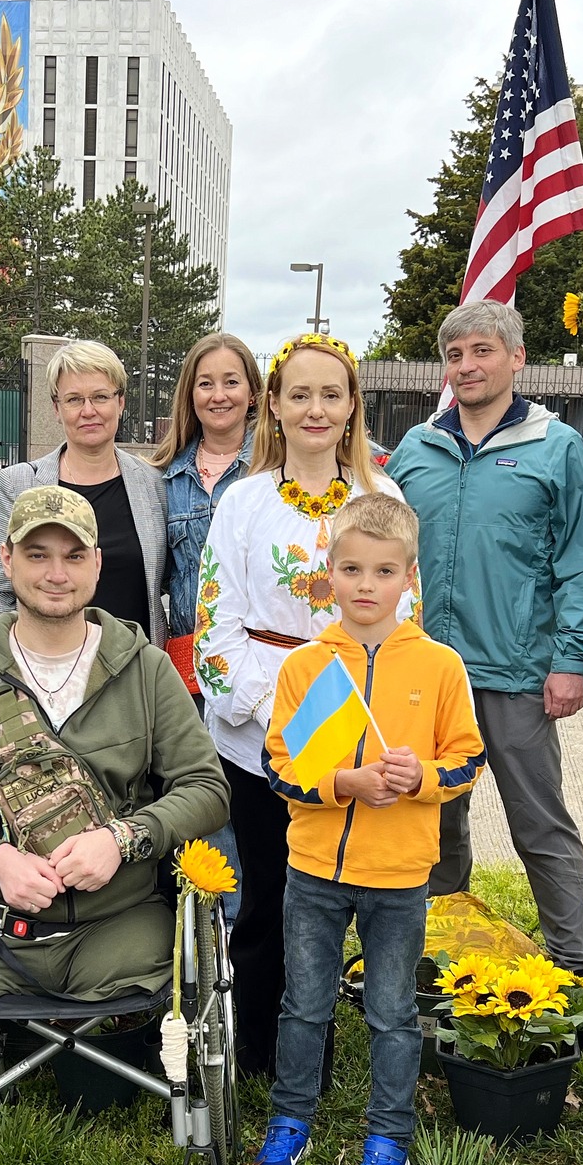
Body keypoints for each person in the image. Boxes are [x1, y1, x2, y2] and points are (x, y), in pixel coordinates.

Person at [0, 487, 228, 1000]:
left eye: (73, 556)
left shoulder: (147, 668)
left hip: (120, 930)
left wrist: (122, 840)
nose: (56, 574)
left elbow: (207, 788)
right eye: (37, 555)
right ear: (6, 560)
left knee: (99, 1078)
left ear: (96, 564)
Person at [256, 493, 485, 1165]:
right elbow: (281, 766)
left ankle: (389, 1139)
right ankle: (290, 1121)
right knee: (304, 1006)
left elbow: (467, 758)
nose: (365, 585)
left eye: (383, 571)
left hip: (397, 877)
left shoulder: (441, 666)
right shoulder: (307, 667)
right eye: (351, 568)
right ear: (328, 573)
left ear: (408, 576)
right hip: (314, 869)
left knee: (391, 1012)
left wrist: (420, 778)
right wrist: (340, 785)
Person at [194, 333, 412, 1078]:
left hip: (348, 730)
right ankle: (259, 1048)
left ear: (353, 406)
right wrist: (274, 715)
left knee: (325, 900)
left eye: (331, 393)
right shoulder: (243, 501)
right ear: (274, 407)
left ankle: (314, 1046)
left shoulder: (382, 502)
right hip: (255, 734)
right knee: (263, 900)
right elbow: (215, 622)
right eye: (299, 394)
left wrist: (331, 726)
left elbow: (402, 618)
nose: (315, 408)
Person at [391, 299, 583, 978]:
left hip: (516, 673)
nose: (467, 366)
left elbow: (578, 561)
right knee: (434, 823)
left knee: (537, 821)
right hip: (427, 676)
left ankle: (575, 963)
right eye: (455, 355)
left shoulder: (555, 446)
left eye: (482, 351)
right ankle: (439, 950)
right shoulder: (415, 450)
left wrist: (569, 660)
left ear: (516, 359)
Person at [0, 341, 167, 648]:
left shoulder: (154, 485)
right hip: (43, 671)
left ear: (120, 402)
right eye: (74, 399)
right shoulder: (19, 483)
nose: (88, 411)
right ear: (56, 408)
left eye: (101, 397)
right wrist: (2, 669)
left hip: (134, 673)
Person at [152, 332, 262, 680]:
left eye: (231, 382)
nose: (218, 396)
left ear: (253, 393)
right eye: (205, 384)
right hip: (192, 665)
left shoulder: (277, 470)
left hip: (260, 661)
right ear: (191, 394)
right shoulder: (165, 477)